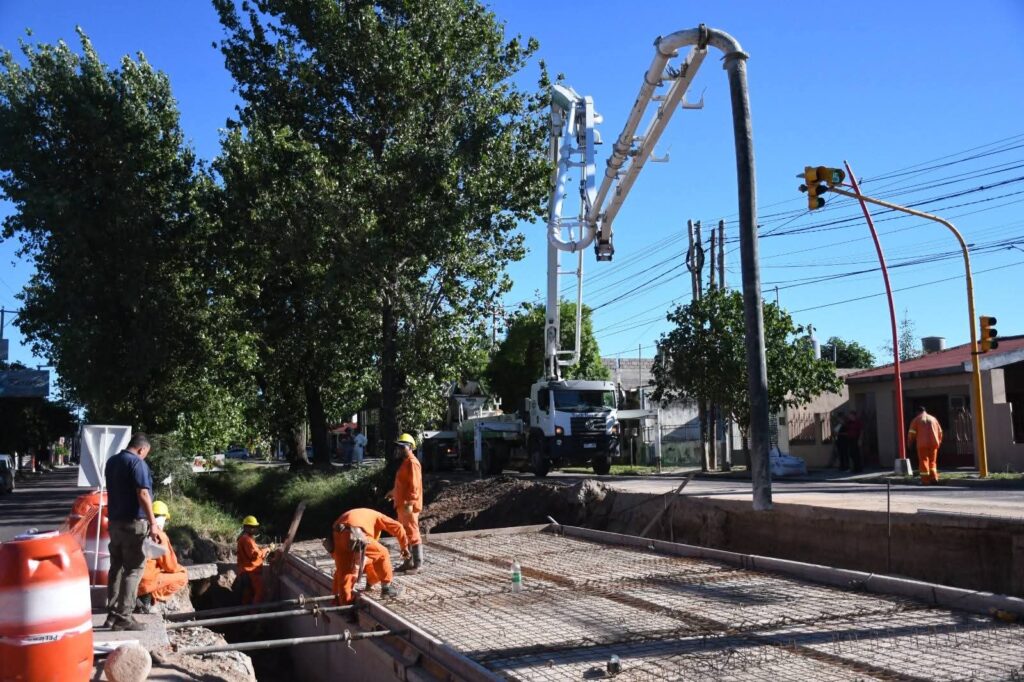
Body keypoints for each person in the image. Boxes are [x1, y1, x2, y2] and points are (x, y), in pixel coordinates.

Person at [104, 433, 160, 631]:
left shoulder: (112, 462)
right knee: (134, 569)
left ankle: (112, 615)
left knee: (116, 567)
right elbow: (143, 493)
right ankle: (124, 616)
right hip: (133, 524)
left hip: (115, 522)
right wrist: (153, 523)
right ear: (142, 449)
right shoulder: (137, 463)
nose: (145, 456)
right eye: (146, 453)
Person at [329, 507, 409, 604]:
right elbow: (398, 527)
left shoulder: (366, 515)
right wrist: (404, 547)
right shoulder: (379, 517)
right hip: (356, 533)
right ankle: (386, 589)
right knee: (383, 553)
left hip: (337, 533)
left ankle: (342, 602)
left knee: (344, 571)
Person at [137, 500, 187, 611]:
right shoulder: (159, 535)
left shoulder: (139, 530)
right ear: (162, 518)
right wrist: (181, 569)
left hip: (132, 579)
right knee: (183, 576)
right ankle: (147, 598)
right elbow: (170, 566)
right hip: (145, 582)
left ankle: (142, 596)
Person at [387, 433, 423, 572]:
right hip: (402, 504)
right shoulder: (406, 462)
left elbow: (415, 486)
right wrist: (393, 493)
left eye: (403, 447)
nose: (400, 449)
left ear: (411, 447)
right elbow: (403, 484)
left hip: (408, 505)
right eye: (399, 447)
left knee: (412, 533)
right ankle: (408, 563)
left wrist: (410, 503)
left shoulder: (412, 463)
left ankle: (417, 564)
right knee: (404, 533)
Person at [236, 516, 271, 604]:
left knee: (247, 595)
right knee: (260, 593)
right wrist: (267, 549)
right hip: (250, 571)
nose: (255, 529)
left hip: (246, 571)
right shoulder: (247, 539)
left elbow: (252, 550)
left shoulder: (246, 538)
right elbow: (255, 555)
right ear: (246, 527)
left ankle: (246, 612)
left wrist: (262, 548)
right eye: (252, 527)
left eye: (255, 527)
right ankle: (254, 612)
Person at [908, 406, 943, 485]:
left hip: (922, 444)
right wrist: (939, 442)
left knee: (924, 461)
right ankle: (934, 478)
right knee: (932, 462)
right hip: (934, 444)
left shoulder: (917, 419)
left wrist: (910, 443)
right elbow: (940, 432)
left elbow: (911, 433)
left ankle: (925, 480)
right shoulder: (933, 419)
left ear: (917, 412)